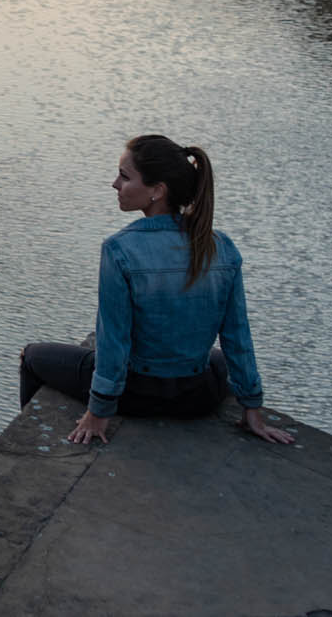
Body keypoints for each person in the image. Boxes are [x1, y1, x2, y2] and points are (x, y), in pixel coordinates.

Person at [18, 136, 296, 447]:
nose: (114, 184)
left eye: (124, 176)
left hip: (136, 396)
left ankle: (29, 444)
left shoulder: (119, 249)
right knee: (216, 357)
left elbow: (114, 341)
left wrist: (98, 411)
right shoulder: (221, 247)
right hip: (197, 397)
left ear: (157, 191)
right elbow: (237, 335)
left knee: (32, 356)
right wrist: (252, 408)